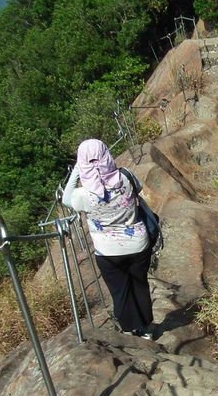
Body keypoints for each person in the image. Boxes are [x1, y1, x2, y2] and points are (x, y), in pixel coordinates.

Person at [62, 138, 157, 339]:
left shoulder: (83, 195)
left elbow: (65, 198)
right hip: (139, 244)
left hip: (107, 251)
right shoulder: (126, 177)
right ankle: (146, 327)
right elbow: (138, 189)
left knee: (120, 291)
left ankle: (131, 329)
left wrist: (77, 172)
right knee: (139, 284)